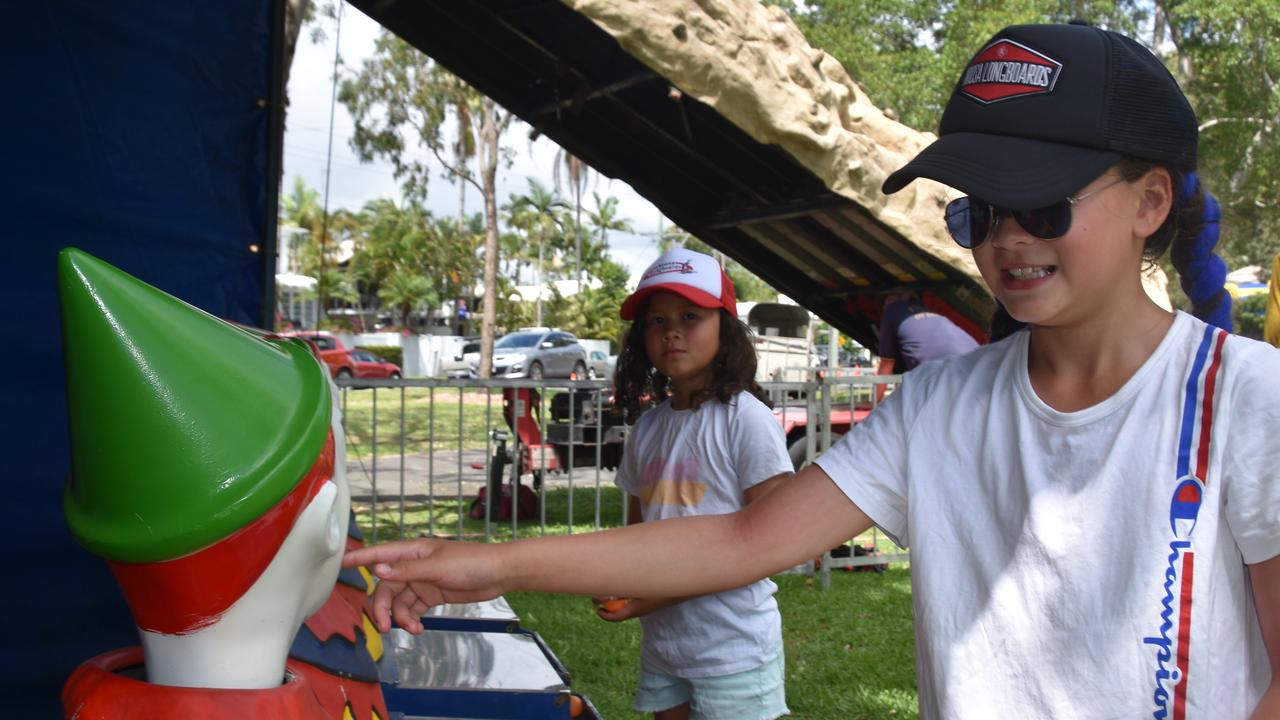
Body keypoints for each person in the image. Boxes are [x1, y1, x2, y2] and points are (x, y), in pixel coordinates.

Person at [346, 23, 1280, 719]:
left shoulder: (1246, 400)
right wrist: (482, 565)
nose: (1007, 240)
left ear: (1150, 200)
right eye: (977, 213)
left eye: (1040, 204)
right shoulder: (942, 407)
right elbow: (741, 540)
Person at [597, 247, 793, 720]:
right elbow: (636, 537)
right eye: (656, 321)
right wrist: (613, 581)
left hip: (733, 652)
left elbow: (772, 544)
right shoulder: (647, 429)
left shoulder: (746, 421)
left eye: (690, 315)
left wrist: (653, 595)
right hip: (665, 649)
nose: (672, 332)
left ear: (724, 328)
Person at [876, 289, 979, 375]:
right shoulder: (932, 314)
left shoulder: (892, 309)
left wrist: (876, 399)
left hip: (946, 371)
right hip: (977, 361)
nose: (884, 305)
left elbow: (887, 363)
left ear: (902, 296)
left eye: (886, 299)